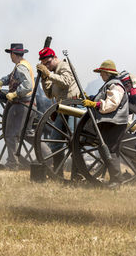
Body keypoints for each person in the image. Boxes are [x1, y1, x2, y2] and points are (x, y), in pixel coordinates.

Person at [81, 60, 129, 188]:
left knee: (111, 150)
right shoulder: (108, 84)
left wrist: (95, 104)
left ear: (107, 73)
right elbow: (102, 98)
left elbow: (112, 103)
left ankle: (117, 181)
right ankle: (114, 179)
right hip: (109, 122)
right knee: (105, 150)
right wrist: (91, 98)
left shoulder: (116, 85)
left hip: (116, 123)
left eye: (102, 72)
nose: (100, 75)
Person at [35, 47, 81, 175]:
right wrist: (45, 79)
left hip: (74, 107)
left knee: (74, 142)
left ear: (55, 58)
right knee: (55, 142)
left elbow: (66, 82)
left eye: (48, 63)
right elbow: (49, 94)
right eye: (44, 64)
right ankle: (58, 174)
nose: (47, 66)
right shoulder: (54, 72)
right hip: (62, 108)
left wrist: (49, 74)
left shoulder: (63, 66)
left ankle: (77, 174)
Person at [0, 43, 34, 170]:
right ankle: (47, 157)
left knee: (10, 135)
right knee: (29, 134)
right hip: (29, 104)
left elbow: (28, 86)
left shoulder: (21, 67)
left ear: (13, 54)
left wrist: (15, 93)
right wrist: (0, 82)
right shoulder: (23, 65)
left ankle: (13, 164)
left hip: (21, 104)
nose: (10, 56)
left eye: (10, 53)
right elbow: (11, 77)